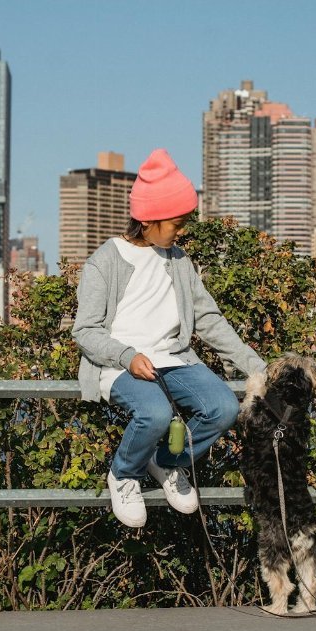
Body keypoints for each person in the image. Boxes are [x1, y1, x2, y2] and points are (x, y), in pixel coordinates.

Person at [73, 148, 267, 528]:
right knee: (155, 413)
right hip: (121, 364)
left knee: (223, 408)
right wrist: (127, 356)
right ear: (147, 219)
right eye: (176, 223)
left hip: (175, 359)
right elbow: (85, 330)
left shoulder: (179, 260)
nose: (182, 231)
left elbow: (209, 319)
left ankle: (165, 463)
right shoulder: (105, 261)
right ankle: (124, 474)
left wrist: (256, 366)